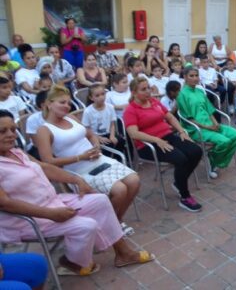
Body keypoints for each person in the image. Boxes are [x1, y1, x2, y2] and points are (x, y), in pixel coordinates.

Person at [0, 110, 154, 276]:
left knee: (101, 200)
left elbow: (44, 167)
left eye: (13, 129)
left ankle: (123, 253)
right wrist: (50, 213)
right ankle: (70, 262)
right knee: (86, 225)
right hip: (27, 219)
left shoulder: (17, 152)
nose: (11, 135)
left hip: (52, 201)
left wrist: (77, 180)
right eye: (2, 131)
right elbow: (5, 203)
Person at [35, 85, 140, 236]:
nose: (67, 106)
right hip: (78, 171)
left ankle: (115, 220)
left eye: (68, 102)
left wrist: (96, 146)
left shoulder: (70, 117)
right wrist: (80, 157)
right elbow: (48, 161)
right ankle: (112, 224)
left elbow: (90, 134)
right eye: (62, 102)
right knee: (120, 189)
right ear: (49, 104)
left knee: (134, 180)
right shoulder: (44, 130)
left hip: (97, 159)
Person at [124, 77, 203, 212]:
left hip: (167, 136)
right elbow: (133, 134)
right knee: (181, 159)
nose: (148, 91)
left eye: (148, 87)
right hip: (148, 144)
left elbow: (170, 117)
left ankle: (179, 182)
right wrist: (156, 140)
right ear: (133, 92)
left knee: (196, 151)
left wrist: (181, 131)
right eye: (143, 89)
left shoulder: (154, 101)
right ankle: (185, 197)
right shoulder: (131, 110)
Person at [177, 68, 236, 179]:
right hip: (196, 129)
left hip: (211, 125)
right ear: (185, 77)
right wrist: (208, 127)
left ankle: (215, 157)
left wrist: (215, 123)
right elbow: (188, 119)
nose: (194, 78)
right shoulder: (182, 95)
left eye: (196, 75)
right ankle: (213, 162)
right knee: (224, 142)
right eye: (191, 76)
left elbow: (209, 110)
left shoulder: (200, 91)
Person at [82, 84, 126, 155]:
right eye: (97, 96)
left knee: (121, 141)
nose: (101, 97)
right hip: (95, 136)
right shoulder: (88, 111)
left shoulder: (110, 107)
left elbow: (112, 124)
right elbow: (87, 129)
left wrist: (112, 135)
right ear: (91, 97)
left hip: (108, 133)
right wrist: (98, 138)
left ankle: (119, 160)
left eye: (103, 94)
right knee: (107, 147)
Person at [25, 90, 48, 159]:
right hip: (39, 148)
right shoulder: (33, 119)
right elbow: (37, 143)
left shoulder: (63, 116)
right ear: (43, 105)